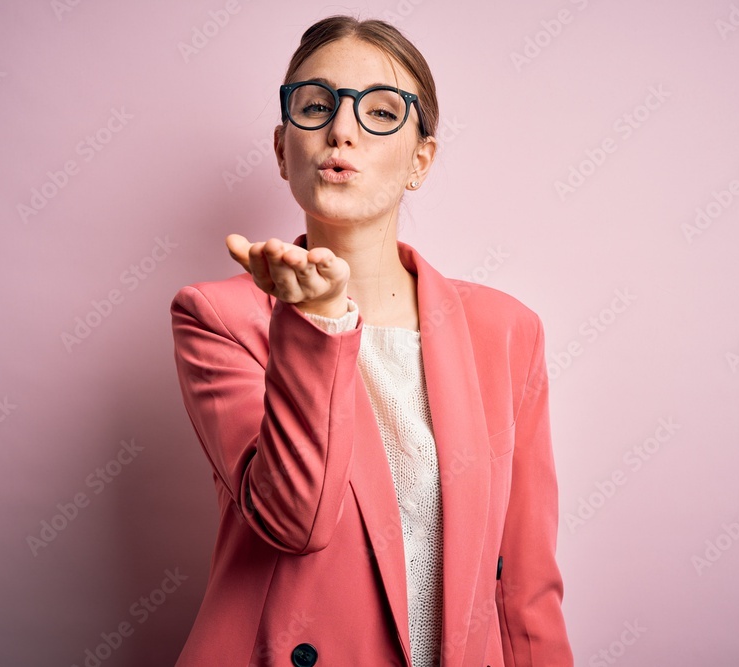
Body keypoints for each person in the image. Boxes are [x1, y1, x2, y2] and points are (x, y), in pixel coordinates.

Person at [170, 14, 573, 667]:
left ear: (421, 159)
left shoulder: (506, 331)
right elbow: (292, 520)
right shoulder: (217, 316)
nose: (342, 129)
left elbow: (525, 585)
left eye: (381, 111)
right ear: (281, 148)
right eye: (315, 105)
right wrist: (319, 322)